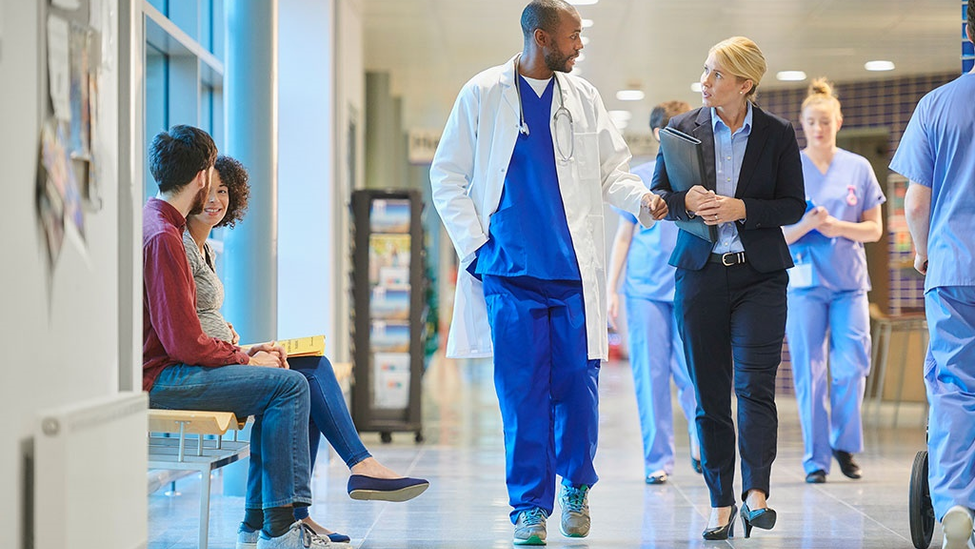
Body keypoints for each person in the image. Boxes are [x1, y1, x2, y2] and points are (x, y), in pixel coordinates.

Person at [430, 1, 668, 544]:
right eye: (573, 35)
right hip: (509, 275)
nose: (580, 45)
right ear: (541, 37)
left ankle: (576, 485)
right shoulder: (483, 93)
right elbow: (447, 177)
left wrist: (643, 201)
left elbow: (613, 171)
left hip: (571, 275)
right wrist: (477, 251)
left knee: (578, 392)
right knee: (522, 395)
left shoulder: (583, 98)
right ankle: (527, 509)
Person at [182, 156, 429, 547]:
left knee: (311, 367)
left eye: (224, 191)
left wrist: (247, 346)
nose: (217, 200)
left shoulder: (205, 247)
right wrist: (245, 356)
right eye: (210, 191)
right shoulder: (177, 243)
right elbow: (184, 332)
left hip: (219, 357)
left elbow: (198, 320)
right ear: (193, 193)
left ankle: (272, 519)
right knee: (298, 382)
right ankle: (336, 483)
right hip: (202, 369)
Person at [142, 126, 329, 549]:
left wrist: (242, 353)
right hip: (164, 379)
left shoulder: (157, 223)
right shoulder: (165, 237)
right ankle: (279, 530)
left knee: (286, 381)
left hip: (165, 370)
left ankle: (261, 525)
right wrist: (245, 359)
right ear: (203, 176)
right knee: (289, 387)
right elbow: (184, 344)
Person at [650, 36, 805, 541]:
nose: (706, 82)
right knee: (709, 395)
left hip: (759, 276)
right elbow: (659, 197)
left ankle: (755, 493)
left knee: (754, 387)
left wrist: (743, 209)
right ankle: (720, 500)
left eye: (717, 74)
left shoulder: (778, 134)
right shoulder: (680, 130)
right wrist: (684, 200)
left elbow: (792, 206)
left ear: (746, 83)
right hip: (700, 276)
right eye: (705, 71)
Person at [890, 3, 975, 547]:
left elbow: (915, 202)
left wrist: (923, 253)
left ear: (970, 29)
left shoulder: (937, 104)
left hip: (953, 267)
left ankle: (956, 505)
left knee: (953, 388)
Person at [782, 78, 885, 485]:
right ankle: (815, 459)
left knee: (851, 367)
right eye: (811, 122)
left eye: (825, 121)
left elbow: (874, 230)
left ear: (838, 120)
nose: (818, 129)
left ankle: (844, 442)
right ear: (802, 125)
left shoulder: (857, 167)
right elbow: (776, 234)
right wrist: (806, 224)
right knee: (810, 372)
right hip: (804, 286)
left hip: (849, 285)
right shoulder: (791, 169)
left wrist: (836, 225)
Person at [606, 100, 701, 486]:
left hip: (689, 286)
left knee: (695, 374)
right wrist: (611, 290)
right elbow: (624, 237)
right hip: (644, 290)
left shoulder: (699, 177)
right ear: (661, 134)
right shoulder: (640, 179)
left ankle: (701, 444)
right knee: (651, 374)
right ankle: (657, 460)